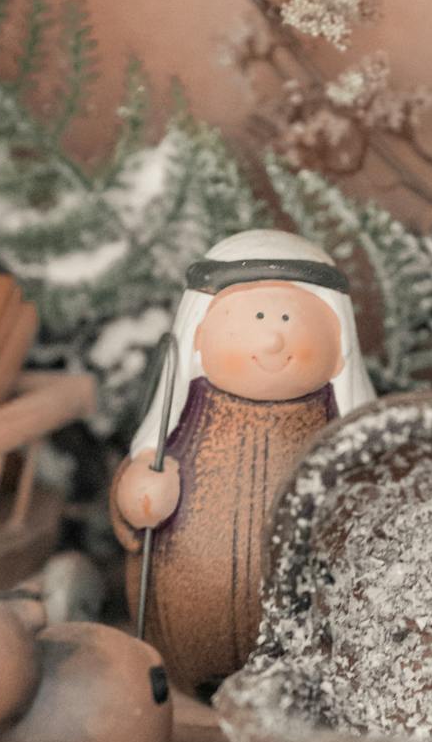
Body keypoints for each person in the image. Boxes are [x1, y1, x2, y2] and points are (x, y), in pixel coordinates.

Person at [111, 230, 374, 696]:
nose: (273, 338)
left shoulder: (339, 437)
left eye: (287, 317)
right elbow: (134, 496)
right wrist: (138, 499)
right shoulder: (183, 419)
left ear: (337, 341)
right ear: (201, 332)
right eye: (256, 316)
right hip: (184, 637)